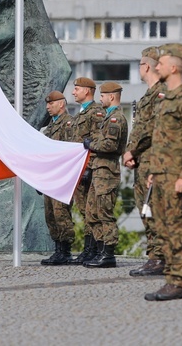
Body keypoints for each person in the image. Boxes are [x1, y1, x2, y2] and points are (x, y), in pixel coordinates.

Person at [144, 43, 182, 301]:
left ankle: (180, 281)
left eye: (161, 62)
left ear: (174, 66)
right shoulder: (167, 97)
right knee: (164, 227)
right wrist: (154, 171)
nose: (157, 66)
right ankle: (171, 277)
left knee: (177, 227)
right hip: (161, 173)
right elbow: (162, 139)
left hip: (176, 175)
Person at [123, 47, 167, 277]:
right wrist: (133, 154)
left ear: (146, 66)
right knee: (145, 208)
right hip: (143, 160)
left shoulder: (160, 94)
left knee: (153, 208)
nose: (139, 69)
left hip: (153, 160)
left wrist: (131, 150)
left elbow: (152, 128)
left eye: (140, 65)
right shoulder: (147, 96)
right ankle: (154, 256)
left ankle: (160, 258)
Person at [82, 82, 129, 268]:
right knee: (92, 213)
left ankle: (108, 254)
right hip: (98, 171)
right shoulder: (108, 118)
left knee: (104, 213)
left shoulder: (117, 119)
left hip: (107, 172)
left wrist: (91, 145)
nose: (100, 98)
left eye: (103, 95)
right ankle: (100, 250)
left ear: (112, 96)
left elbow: (110, 145)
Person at [68, 77, 104, 265]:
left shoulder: (96, 113)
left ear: (87, 91)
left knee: (92, 212)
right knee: (84, 211)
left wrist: (89, 168)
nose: (73, 92)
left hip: (88, 170)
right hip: (78, 171)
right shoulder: (81, 114)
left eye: (77, 89)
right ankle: (88, 249)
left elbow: (96, 142)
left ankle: (94, 249)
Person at [39, 91, 76, 265]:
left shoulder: (68, 124)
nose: (48, 107)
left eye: (51, 104)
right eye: (47, 104)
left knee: (61, 213)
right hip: (50, 177)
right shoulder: (50, 127)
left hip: (62, 178)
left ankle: (66, 250)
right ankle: (57, 249)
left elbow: (69, 151)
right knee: (50, 214)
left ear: (61, 104)